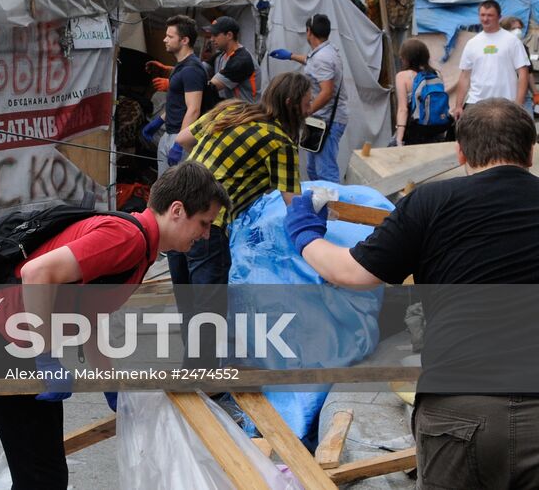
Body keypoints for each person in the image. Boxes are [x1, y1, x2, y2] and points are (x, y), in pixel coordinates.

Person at [285, 99, 539, 490]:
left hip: (457, 409)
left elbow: (350, 272)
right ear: (530, 150)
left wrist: (304, 232)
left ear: (461, 152)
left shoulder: (430, 202)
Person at [0, 163, 231, 490]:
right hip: (1, 342)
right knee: (41, 477)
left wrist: (109, 382)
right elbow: (36, 273)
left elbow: (90, 311)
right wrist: (44, 357)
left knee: (42, 473)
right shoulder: (127, 238)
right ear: (176, 210)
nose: (206, 235)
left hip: (7, 338)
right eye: (204, 223)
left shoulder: (141, 245)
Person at [170, 73, 312, 365]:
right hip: (208, 227)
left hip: (174, 218)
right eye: (308, 101)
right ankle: (200, 381)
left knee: (188, 305)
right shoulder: (279, 141)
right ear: (291, 103)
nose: (311, 107)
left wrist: (212, 163)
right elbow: (293, 204)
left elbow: (183, 138)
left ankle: (191, 372)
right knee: (208, 310)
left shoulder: (231, 110)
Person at [270, 13, 349, 183]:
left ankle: (332, 207)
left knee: (325, 170)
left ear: (308, 32)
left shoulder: (323, 57)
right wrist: (290, 55)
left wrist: (306, 112)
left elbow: (326, 92)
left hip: (327, 121)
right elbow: (311, 61)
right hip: (321, 120)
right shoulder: (325, 52)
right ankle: (317, 205)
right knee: (312, 168)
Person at [143, 15, 205, 174]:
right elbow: (178, 103)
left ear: (184, 40)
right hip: (169, 134)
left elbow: (193, 109)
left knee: (179, 189)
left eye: (170, 36)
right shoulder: (180, 66)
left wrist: (179, 143)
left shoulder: (192, 69)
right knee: (163, 186)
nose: (165, 40)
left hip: (180, 137)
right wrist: (157, 122)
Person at [451, 0, 531, 118]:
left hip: (505, 103)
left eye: (490, 15)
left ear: (499, 17)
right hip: (476, 102)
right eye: (482, 15)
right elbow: (464, 76)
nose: (485, 19)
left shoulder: (512, 41)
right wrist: (458, 105)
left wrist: (518, 103)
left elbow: (523, 73)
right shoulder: (472, 43)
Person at [393, 38, 455, 146]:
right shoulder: (436, 74)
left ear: (406, 58)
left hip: (415, 129)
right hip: (437, 128)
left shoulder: (402, 76)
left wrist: (399, 137)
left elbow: (403, 109)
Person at [206, 15, 256, 104]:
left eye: (215, 35)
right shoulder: (220, 56)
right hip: (229, 111)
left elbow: (211, 87)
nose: (211, 39)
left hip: (245, 113)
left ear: (229, 35)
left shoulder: (242, 60)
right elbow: (198, 68)